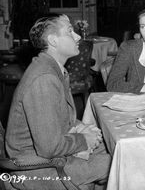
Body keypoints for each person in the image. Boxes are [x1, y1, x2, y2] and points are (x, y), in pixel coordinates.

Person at [5, 14, 111, 190]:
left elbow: (57, 117)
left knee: (114, 147)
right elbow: (49, 148)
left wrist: (80, 126)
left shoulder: (53, 69)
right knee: (120, 162)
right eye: (70, 32)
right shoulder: (44, 78)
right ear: (53, 41)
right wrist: (84, 140)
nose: (77, 36)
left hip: (49, 156)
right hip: (36, 166)